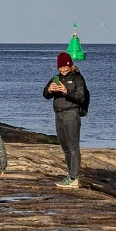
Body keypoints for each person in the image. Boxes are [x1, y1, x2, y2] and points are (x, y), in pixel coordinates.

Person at [42, 51, 89, 188]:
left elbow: (81, 97)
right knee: (65, 147)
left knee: (73, 146)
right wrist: (49, 90)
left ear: (70, 65)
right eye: (60, 67)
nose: (63, 69)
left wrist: (65, 91)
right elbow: (45, 95)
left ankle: (74, 177)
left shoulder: (77, 78)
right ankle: (70, 175)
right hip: (58, 114)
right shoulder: (56, 78)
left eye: (65, 66)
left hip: (71, 114)